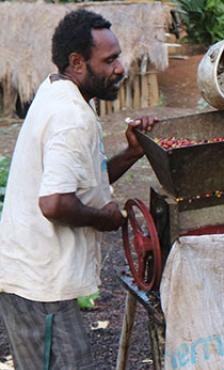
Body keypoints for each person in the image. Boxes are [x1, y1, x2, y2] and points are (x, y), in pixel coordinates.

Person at [0, 9, 156, 369]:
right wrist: (104, 219)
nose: (121, 68)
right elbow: (54, 203)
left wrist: (133, 152)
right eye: (110, 59)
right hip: (38, 286)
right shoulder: (71, 117)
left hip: (35, 281)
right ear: (77, 62)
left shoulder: (57, 91)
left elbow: (80, 182)